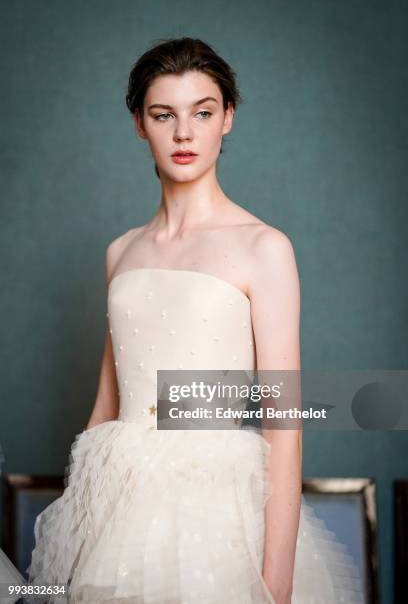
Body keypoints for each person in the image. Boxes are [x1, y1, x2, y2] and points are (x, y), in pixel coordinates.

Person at [26, 37, 364, 603]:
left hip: (217, 513)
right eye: (164, 115)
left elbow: (284, 421)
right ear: (140, 123)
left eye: (202, 113)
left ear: (226, 118)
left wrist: (275, 587)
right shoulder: (121, 252)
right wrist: (75, 532)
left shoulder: (264, 247)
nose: (184, 134)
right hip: (118, 505)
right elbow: (106, 404)